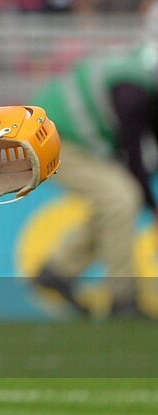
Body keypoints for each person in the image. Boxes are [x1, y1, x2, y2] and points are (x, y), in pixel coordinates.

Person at [32, 41, 157, 318]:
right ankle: (123, 300)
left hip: (59, 131)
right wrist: (153, 206)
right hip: (49, 137)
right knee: (122, 199)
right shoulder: (134, 90)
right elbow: (134, 159)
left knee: (118, 204)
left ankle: (59, 270)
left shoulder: (141, 79)